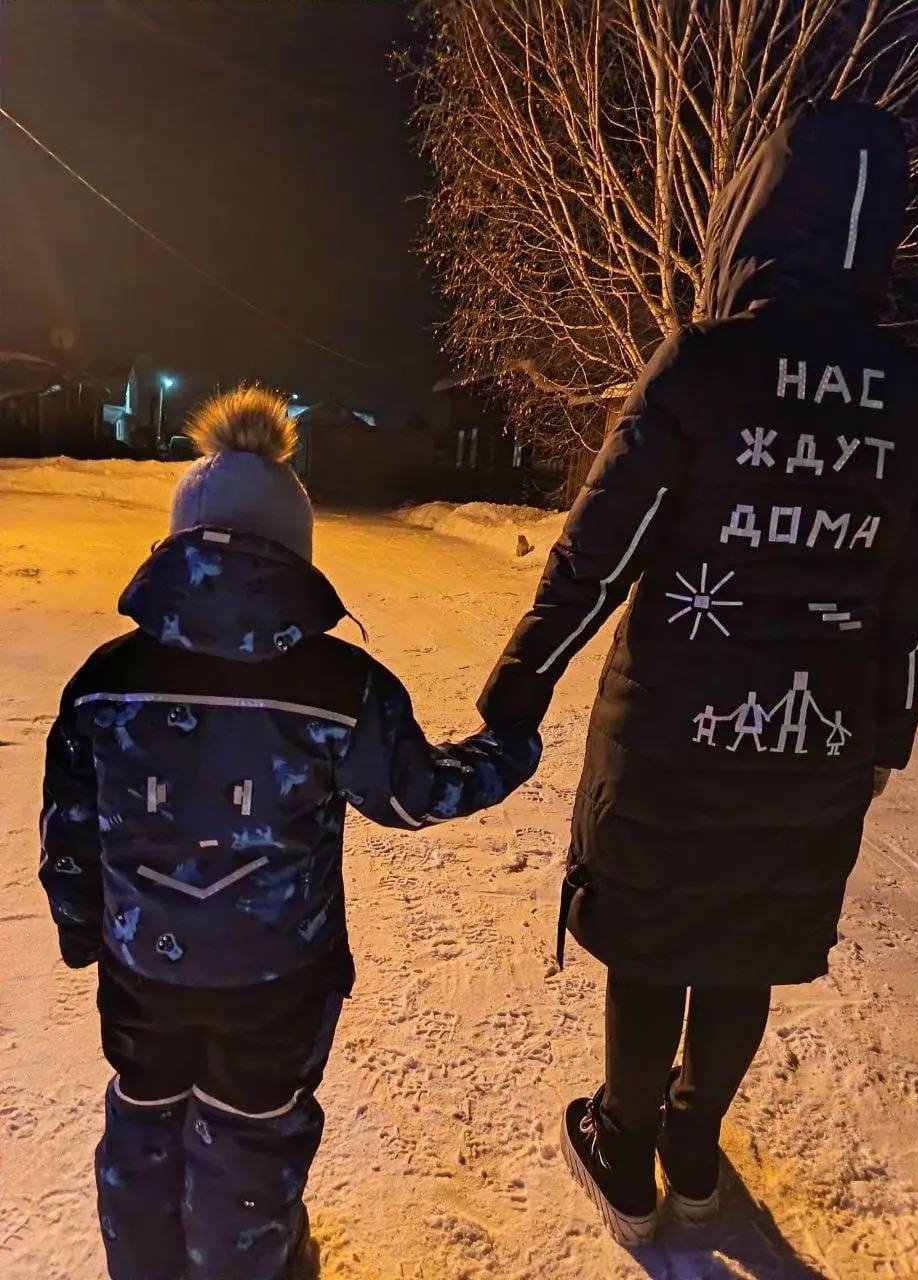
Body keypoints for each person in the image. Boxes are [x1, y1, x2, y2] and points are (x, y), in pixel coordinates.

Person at [477, 101, 918, 1245]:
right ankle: (694, 1148)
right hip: (815, 738)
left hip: (675, 730)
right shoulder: (913, 393)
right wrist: (886, 733)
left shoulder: (705, 364)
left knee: (655, 932)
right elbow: (917, 586)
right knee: (747, 934)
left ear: (757, 213)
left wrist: (520, 684)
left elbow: (600, 549)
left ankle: (626, 1143)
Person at [39, 386, 541, 1280]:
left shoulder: (105, 680)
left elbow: (67, 831)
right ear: (293, 550)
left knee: (144, 1117)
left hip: (142, 970)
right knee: (250, 1138)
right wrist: (509, 747)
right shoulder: (339, 686)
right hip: (275, 980)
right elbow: (416, 796)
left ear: (179, 542)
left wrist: (84, 931)